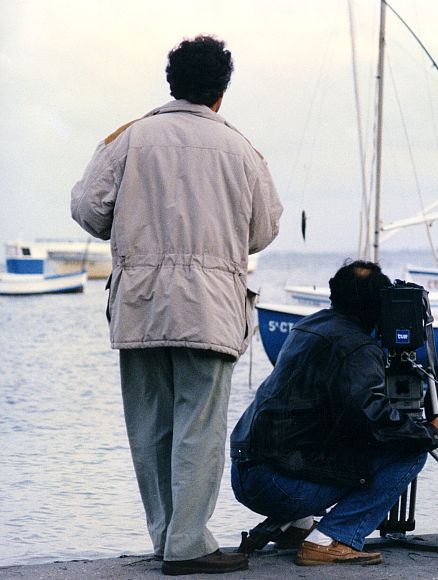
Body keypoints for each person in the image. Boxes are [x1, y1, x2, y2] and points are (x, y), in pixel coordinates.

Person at [70, 35, 283, 576]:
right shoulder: (241, 148)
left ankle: (169, 537)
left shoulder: (129, 139)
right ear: (221, 91)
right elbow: (264, 231)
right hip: (210, 306)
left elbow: (89, 212)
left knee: (149, 428)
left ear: (171, 82)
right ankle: (188, 544)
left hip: (140, 304)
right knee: (199, 428)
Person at [230, 260, 438, 566]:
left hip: (247, 472)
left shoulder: (308, 325)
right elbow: (375, 422)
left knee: (332, 439)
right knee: (411, 453)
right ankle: (332, 539)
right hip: (279, 484)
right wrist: (430, 432)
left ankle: (297, 528)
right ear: (380, 304)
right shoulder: (358, 348)